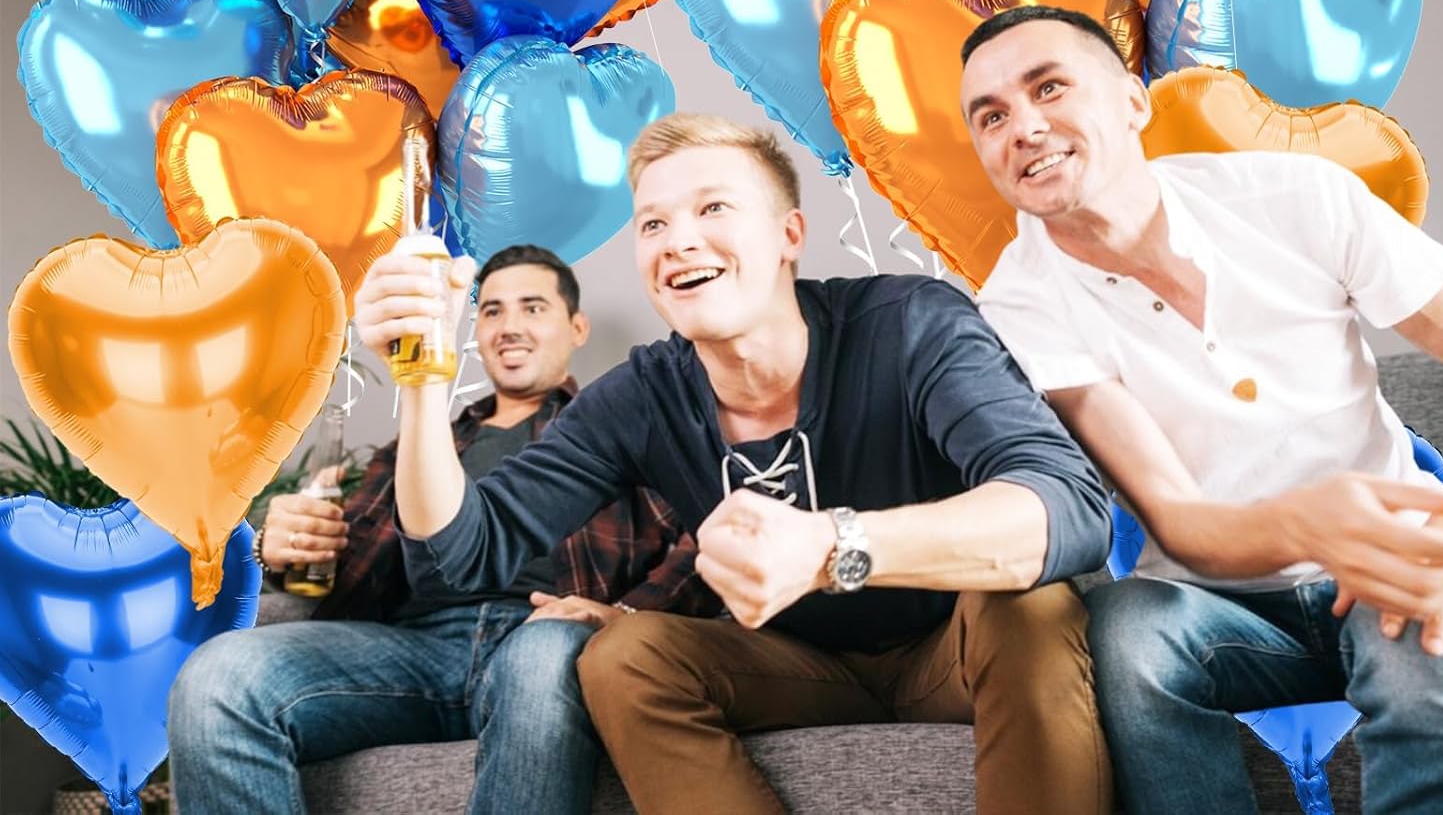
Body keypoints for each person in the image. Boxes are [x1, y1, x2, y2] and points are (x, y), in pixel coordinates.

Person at [355, 112, 1115, 815]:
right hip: (795, 668)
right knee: (624, 655)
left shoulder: (910, 323)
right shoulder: (644, 395)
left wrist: (834, 546)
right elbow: (458, 554)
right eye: (654, 223)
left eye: (713, 208)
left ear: (790, 234)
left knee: (1030, 602)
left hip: (952, 649)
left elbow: (1069, 506)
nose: (678, 241)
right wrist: (423, 383)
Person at [959, 4, 1443, 815]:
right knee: (1127, 631)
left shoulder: (1297, 196)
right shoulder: (1016, 307)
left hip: (1389, 560)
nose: (1024, 128)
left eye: (1049, 88)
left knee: (1428, 640)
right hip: (1220, 608)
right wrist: (1307, 525)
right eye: (992, 117)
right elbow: (1178, 519)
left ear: (1132, 102)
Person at [169, 244, 710, 815]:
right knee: (217, 678)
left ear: (577, 328)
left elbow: (704, 537)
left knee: (543, 654)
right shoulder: (418, 445)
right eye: (492, 311)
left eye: (532, 307)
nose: (509, 326)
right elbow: (348, 566)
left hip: (542, 637)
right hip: (414, 648)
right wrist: (281, 547)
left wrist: (625, 615)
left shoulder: (620, 429)